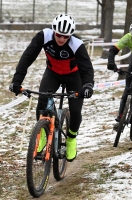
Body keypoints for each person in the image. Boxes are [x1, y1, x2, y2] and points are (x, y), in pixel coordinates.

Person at [9, 14, 94, 162]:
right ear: (54, 30)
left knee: (75, 110)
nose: (61, 39)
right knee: (42, 101)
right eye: (59, 35)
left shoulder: (77, 44)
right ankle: (42, 133)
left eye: (66, 37)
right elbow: (27, 57)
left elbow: (87, 68)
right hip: (53, 73)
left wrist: (87, 85)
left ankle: (71, 139)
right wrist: (17, 81)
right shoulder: (44, 36)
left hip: (74, 77)